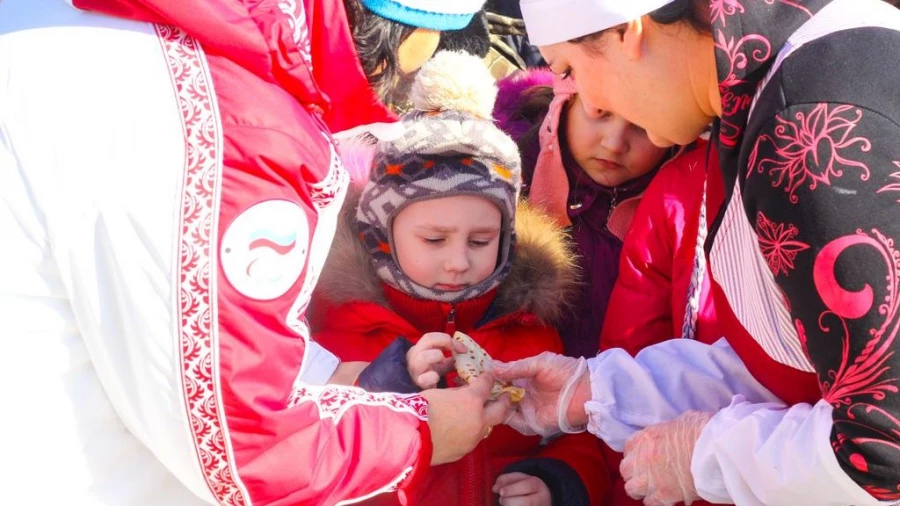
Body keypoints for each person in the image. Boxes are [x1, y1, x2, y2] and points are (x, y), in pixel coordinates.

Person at [0, 0, 515, 504]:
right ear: (402, 31)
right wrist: (421, 434)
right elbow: (248, 447)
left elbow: (175, 311)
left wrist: (342, 378)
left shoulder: (55, 24)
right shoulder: (237, 117)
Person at [493, 0, 900, 505]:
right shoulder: (777, 87)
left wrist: (704, 455)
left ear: (629, 32)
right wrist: (595, 391)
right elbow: (787, 365)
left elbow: (881, 454)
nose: (588, 96)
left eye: (571, 69)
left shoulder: (809, 127)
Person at [311, 50, 606, 506]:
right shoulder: (344, 331)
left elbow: (582, 429)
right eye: (433, 240)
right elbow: (317, 441)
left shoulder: (532, 333)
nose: (457, 262)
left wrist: (558, 478)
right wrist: (390, 381)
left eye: (480, 240)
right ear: (382, 235)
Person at [494, 68, 688, 358]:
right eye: (600, 112)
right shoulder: (503, 187)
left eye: (643, 125)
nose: (614, 143)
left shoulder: (687, 211)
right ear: (564, 104)